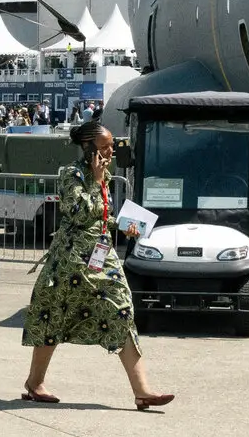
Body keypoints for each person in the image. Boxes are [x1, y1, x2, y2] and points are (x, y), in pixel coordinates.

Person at [21, 118, 172, 409]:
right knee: (54, 315)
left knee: (121, 309)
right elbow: (77, 212)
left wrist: (123, 224)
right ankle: (34, 383)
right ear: (88, 148)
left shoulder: (101, 174)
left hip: (101, 258)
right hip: (70, 260)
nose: (111, 151)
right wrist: (98, 179)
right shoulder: (71, 174)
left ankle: (143, 391)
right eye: (105, 146)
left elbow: (100, 216)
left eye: (112, 146)